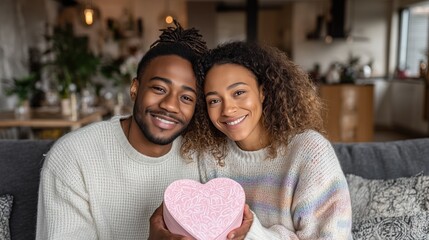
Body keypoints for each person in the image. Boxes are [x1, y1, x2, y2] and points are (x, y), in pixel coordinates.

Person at [36, 21, 208, 239]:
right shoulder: (73, 156)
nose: (170, 105)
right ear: (135, 89)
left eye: (186, 97)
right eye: (159, 88)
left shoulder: (202, 154)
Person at [191, 41, 353, 239]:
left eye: (239, 93)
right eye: (214, 100)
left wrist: (254, 233)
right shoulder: (209, 156)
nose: (227, 109)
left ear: (263, 91)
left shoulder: (309, 151)